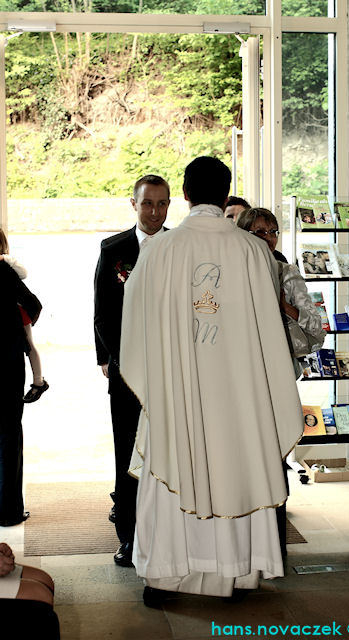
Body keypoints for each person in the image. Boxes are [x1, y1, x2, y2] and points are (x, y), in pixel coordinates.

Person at [120, 156, 303, 606]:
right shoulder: (253, 251)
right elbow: (267, 335)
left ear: (184, 194)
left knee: (171, 474)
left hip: (177, 396)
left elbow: (135, 328)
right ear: (225, 197)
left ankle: (164, 578)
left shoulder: (160, 250)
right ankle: (232, 574)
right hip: (238, 398)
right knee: (233, 468)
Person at [94, 174, 170, 567]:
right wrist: (110, 359)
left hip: (174, 373)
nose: (155, 212)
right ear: (133, 203)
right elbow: (103, 313)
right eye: (147, 204)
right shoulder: (114, 250)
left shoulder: (180, 246)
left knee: (169, 454)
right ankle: (129, 537)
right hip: (128, 373)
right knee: (127, 455)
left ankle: (170, 533)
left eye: (162, 204)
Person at [236, 207, 325, 367]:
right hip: (242, 359)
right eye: (260, 232)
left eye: (273, 232)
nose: (268, 238)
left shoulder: (287, 272)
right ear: (243, 235)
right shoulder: (231, 273)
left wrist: (284, 307)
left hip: (281, 361)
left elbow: (316, 326)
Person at [0, 255, 42, 526]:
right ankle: (9, 511)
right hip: (7, 362)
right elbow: (34, 305)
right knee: (8, 436)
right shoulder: (4, 271)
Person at [0, 230, 49, 404]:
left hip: (19, 312)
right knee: (28, 345)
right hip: (16, 311)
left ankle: (39, 381)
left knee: (29, 346)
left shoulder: (7, 262)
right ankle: (39, 382)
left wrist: (5, 258)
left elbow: (24, 273)